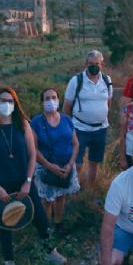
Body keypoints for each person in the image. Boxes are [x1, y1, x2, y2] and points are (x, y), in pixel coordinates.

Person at [0, 87, 67, 265]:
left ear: (15, 104)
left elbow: (32, 154)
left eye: (11, 101)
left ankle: (50, 250)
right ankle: (9, 262)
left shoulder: (23, 125)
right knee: (4, 222)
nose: (7, 104)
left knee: (40, 217)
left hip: (23, 182)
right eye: (3, 101)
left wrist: (28, 182)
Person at [31, 87, 81, 236]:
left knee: (61, 196)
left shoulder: (66, 120)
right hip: (46, 168)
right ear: (42, 102)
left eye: (54, 97)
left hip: (66, 166)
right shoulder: (36, 122)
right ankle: (46, 230)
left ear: (58, 100)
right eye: (47, 98)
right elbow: (34, 149)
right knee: (47, 201)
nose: (51, 101)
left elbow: (75, 144)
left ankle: (58, 224)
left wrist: (70, 164)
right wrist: (49, 166)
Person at [62, 50, 113, 189]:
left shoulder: (107, 81)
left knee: (94, 162)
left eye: (97, 64)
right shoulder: (76, 81)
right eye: (91, 64)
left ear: (102, 64)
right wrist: (68, 128)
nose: (94, 66)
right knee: (77, 163)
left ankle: (90, 189)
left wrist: (100, 114)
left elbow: (108, 102)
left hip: (100, 128)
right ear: (86, 63)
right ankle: (74, 189)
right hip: (80, 128)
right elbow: (67, 106)